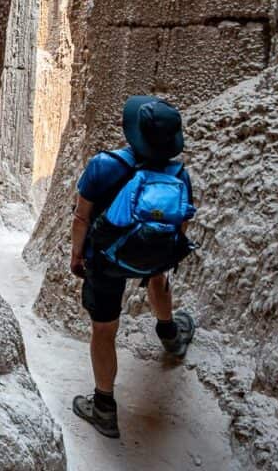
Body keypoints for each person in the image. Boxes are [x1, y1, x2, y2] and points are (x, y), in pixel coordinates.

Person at [69, 95, 197, 438]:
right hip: (154, 259)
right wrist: (159, 254)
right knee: (158, 278)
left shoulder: (103, 165)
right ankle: (170, 334)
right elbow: (180, 226)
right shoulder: (179, 174)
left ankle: (104, 407)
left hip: (107, 261)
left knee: (104, 330)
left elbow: (82, 216)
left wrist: (77, 256)